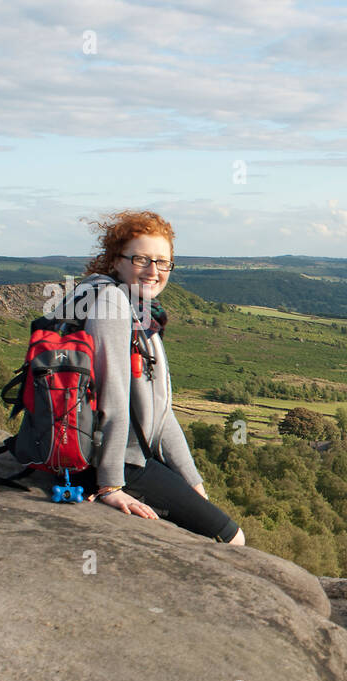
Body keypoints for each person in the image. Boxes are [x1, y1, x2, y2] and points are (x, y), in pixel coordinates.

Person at [74, 210, 245, 545]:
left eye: (163, 262)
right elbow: (113, 398)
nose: (154, 271)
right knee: (232, 539)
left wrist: (192, 482)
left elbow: (160, 412)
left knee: (205, 518)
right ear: (115, 261)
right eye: (141, 259)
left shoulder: (135, 310)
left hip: (123, 453)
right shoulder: (111, 304)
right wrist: (110, 485)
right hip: (108, 459)